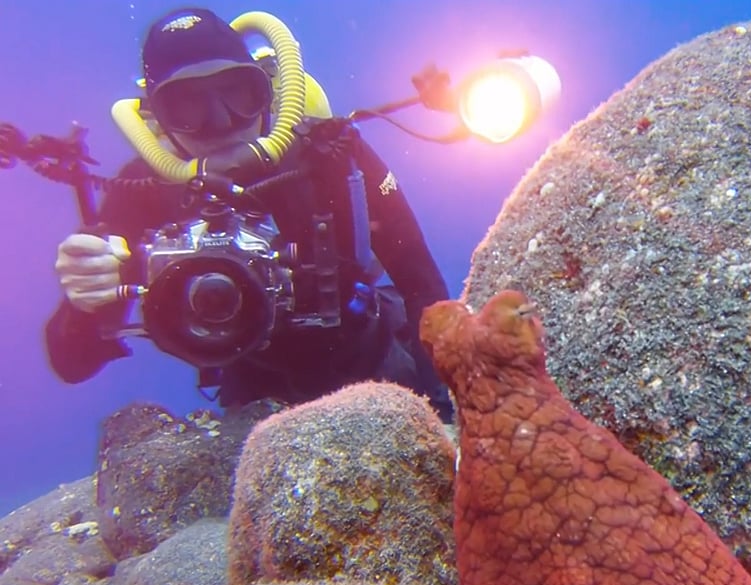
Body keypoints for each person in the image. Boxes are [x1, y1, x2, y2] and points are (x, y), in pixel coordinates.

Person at [44, 7, 454, 422]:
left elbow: (422, 285)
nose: (221, 123)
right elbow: (72, 363)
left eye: (237, 93)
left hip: (375, 356)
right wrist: (83, 302)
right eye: (186, 106)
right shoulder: (141, 193)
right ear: (157, 117)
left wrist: (447, 409)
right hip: (255, 404)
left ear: (266, 90)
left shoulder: (330, 155)